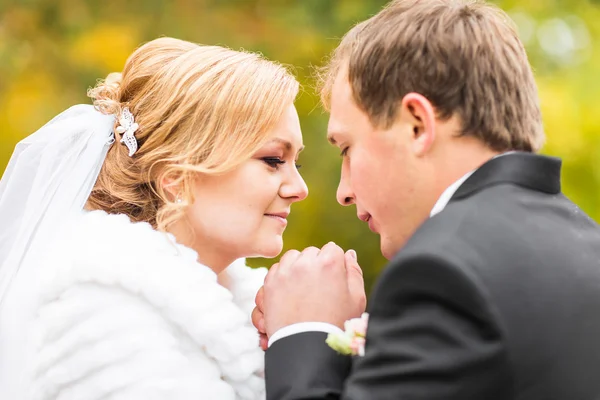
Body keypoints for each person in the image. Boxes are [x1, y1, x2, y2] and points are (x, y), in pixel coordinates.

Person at [254, 1, 600, 399]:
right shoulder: (586, 243)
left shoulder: (446, 272)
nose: (343, 192)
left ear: (417, 125)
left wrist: (304, 332)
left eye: (347, 148)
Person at [0, 37, 307, 399]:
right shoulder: (103, 313)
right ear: (177, 178)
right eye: (273, 160)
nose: (298, 188)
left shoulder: (256, 305)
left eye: (296, 163)